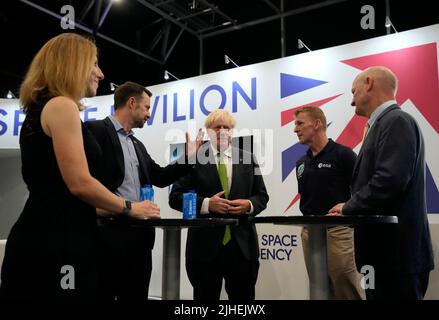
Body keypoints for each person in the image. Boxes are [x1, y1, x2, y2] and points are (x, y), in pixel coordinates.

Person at [0, 33, 159, 300]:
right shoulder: (62, 106)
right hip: (55, 244)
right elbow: (79, 183)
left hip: (45, 237)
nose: (100, 73)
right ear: (72, 64)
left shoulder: (44, 108)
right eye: (94, 64)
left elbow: (59, 190)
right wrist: (130, 207)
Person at [85, 81, 202, 300]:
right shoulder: (94, 131)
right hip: (106, 237)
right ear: (131, 103)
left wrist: (189, 157)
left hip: (139, 239)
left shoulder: (137, 145)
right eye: (147, 108)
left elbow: (159, 176)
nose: (149, 114)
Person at [328, 66, 434, 300]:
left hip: (396, 257)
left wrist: (348, 207)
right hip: (382, 256)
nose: (351, 102)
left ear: (369, 83)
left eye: (353, 92)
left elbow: (389, 182)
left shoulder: (396, 121)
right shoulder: (383, 124)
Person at [169, 109, 269, 301]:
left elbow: (262, 196)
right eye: (217, 127)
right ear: (208, 131)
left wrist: (248, 205)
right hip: (204, 248)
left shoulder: (248, 158)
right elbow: (175, 197)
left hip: (242, 248)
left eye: (227, 127)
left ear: (232, 131)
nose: (222, 131)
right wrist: (207, 204)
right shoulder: (193, 158)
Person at [294, 106, 364, 300]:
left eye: (300, 123)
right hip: (310, 231)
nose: (295, 129)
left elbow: (361, 191)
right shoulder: (301, 162)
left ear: (317, 124)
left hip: (339, 230)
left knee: (344, 283)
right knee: (318, 286)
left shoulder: (344, 155)